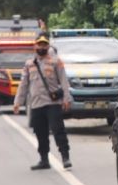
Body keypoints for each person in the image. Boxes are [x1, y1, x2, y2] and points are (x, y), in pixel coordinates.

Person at [14, 33, 73, 169]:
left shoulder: (56, 61)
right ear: (35, 46)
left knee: (58, 131)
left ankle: (65, 157)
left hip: (52, 104)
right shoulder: (29, 64)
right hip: (36, 104)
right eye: (39, 44)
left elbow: (64, 82)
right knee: (40, 133)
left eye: (44, 44)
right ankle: (44, 159)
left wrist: (66, 99)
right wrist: (17, 102)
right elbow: (23, 84)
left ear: (48, 46)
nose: (42, 47)